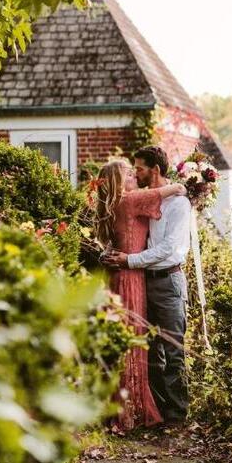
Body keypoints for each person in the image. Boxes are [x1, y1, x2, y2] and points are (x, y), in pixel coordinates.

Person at [95, 158, 186, 431]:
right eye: (128, 172)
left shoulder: (116, 203)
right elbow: (165, 192)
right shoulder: (129, 200)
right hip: (130, 275)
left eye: (137, 170)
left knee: (135, 342)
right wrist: (184, 184)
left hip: (130, 274)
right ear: (119, 180)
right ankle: (131, 410)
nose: (134, 174)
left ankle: (128, 406)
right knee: (135, 343)